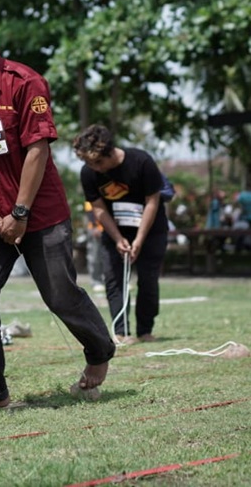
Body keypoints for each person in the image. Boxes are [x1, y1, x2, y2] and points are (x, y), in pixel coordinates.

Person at [0, 0, 115, 407]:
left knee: (59, 295)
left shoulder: (25, 83)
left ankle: (99, 350)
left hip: (39, 214)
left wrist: (20, 212)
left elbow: (37, 149)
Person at [73, 125, 169, 346]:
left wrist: (139, 240)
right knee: (114, 279)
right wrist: (117, 238)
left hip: (151, 230)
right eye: (88, 163)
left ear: (110, 152)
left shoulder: (142, 161)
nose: (94, 168)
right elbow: (98, 208)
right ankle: (122, 331)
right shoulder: (89, 172)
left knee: (148, 279)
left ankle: (145, 330)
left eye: (98, 163)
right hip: (115, 229)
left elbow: (152, 202)